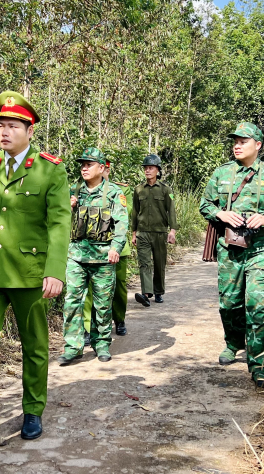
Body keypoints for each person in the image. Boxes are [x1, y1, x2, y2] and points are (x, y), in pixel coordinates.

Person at [0, 91, 70, 443]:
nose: (4, 132)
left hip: (30, 274)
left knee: (34, 345)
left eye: (12, 126)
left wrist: (55, 270)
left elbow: (58, 223)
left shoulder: (49, 170)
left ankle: (33, 411)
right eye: (0, 125)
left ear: (29, 130)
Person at [198, 122, 264, 390]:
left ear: (258, 145)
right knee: (229, 304)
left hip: (261, 249)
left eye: (243, 141)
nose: (237, 145)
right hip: (230, 250)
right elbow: (204, 204)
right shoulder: (221, 174)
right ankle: (232, 343)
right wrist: (220, 213)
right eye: (235, 141)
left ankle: (259, 362)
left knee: (257, 305)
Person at [60, 147, 129, 364]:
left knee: (102, 303)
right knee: (72, 301)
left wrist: (115, 248)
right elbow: (56, 218)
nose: (84, 168)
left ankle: (101, 344)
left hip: (103, 257)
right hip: (76, 256)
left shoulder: (114, 193)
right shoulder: (74, 190)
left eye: (89, 164)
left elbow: (121, 223)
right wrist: (66, 207)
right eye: (82, 164)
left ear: (101, 167)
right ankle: (73, 346)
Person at [84, 160, 132, 341]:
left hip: (116, 247)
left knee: (118, 285)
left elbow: (126, 215)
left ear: (106, 169)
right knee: (89, 288)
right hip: (91, 249)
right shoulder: (82, 190)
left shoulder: (120, 190)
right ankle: (88, 327)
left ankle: (119, 319)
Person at [132, 154, 178, 306]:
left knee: (159, 263)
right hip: (142, 232)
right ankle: (146, 294)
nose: (147, 170)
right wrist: (133, 233)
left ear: (158, 170)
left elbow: (171, 211)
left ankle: (158, 291)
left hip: (160, 233)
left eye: (151, 168)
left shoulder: (166, 190)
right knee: (144, 263)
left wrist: (172, 231)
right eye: (145, 168)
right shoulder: (138, 190)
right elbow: (134, 212)